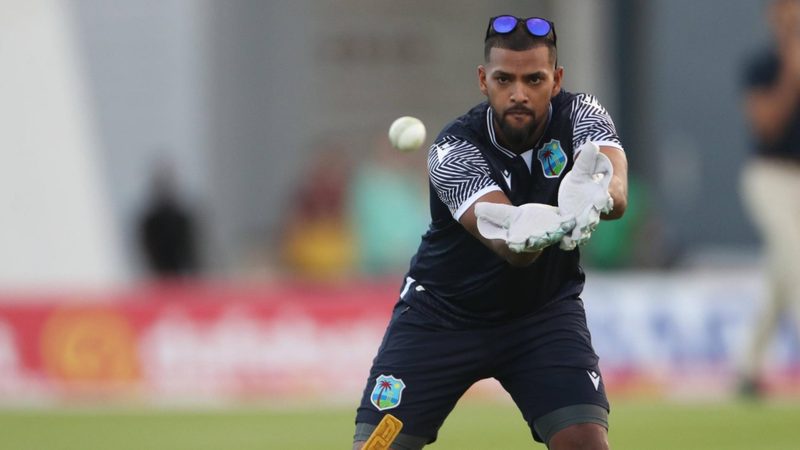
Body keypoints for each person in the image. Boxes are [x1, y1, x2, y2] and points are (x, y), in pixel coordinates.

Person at [353, 15, 628, 450]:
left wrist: (598, 195)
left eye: (534, 79)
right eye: (504, 79)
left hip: (542, 315)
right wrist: (561, 218)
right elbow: (514, 247)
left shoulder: (582, 113)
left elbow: (616, 188)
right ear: (483, 80)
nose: (519, 93)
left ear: (556, 80)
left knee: (585, 443)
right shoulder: (453, 150)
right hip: (440, 319)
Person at [737, 0, 800, 398]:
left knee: (781, 274)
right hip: (771, 176)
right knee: (796, 259)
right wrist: (792, 73)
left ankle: (748, 367)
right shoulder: (763, 66)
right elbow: (766, 126)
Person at [138, 160, 200, 279]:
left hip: (182, 277)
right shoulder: (151, 222)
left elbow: (191, 251)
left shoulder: (182, 219)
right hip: (160, 276)